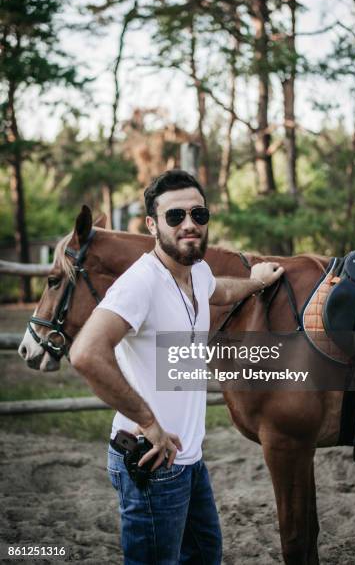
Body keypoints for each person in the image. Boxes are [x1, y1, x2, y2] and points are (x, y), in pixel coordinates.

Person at [70, 170, 284, 565]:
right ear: (152, 224)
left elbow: (219, 291)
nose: (189, 224)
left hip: (187, 460)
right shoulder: (140, 284)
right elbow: (86, 352)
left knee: (205, 555)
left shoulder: (196, 271)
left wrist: (254, 283)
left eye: (198, 215)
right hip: (151, 462)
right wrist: (149, 423)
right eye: (175, 216)